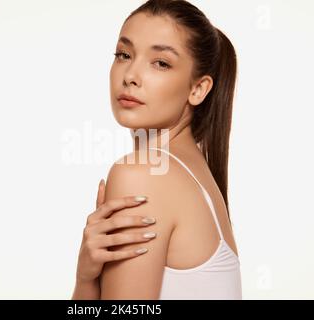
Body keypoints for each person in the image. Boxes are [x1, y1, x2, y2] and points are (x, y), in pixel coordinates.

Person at [73, 0, 241, 299]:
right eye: (124, 54)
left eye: (161, 63)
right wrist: (87, 279)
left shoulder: (144, 173)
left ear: (198, 89)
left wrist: (85, 285)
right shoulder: (196, 174)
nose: (130, 75)